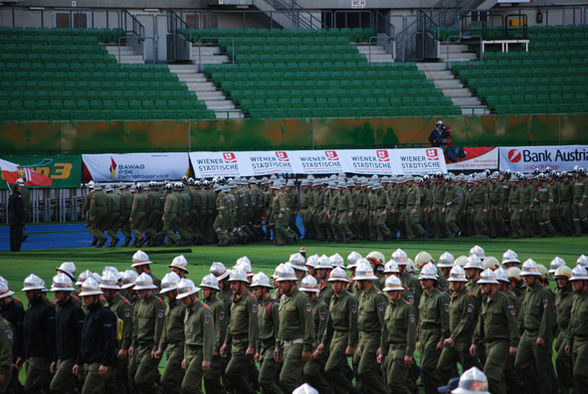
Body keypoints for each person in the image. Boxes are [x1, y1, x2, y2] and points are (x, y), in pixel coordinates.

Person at [470, 269, 518, 394]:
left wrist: (513, 344)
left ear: (492, 285)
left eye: (484, 284)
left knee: (489, 373)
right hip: (488, 343)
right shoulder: (485, 300)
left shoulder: (504, 300)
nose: (481, 286)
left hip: (501, 342)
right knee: (498, 376)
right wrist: (474, 341)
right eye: (480, 284)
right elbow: (481, 322)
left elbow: (512, 323)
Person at [314, 267, 358, 393]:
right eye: (332, 282)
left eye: (337, 282)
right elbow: (329, 323)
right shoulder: (333, 299)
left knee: (330, 368)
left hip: (344, 335)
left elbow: (353, 324)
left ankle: (352, 391)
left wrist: (350, 344)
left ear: (344, 283)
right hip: (334, 336)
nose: (334, 285)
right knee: (339, 368)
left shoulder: (351, 299)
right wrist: (323, 342)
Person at [515, 260, 555, 394]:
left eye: (528, 276)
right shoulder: (527, 291)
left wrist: (542, 336)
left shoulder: (545, 293)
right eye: (524, 276)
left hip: (538, 334)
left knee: (543, 369)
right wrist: (519, 332)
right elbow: (522, 313)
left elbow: (547, 317)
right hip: (526, 334)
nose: (525, 279)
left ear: (536, 276)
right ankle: (534, 389)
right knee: (519, 365)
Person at [274, 264, 314, 393]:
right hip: (285, 345)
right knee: (295, 380)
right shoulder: (283, 299)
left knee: (286, 379)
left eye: (283, 282)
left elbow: (308, 325)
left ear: (292, 282)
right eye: (279, 282)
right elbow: (281, 324)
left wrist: (307, 348)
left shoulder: (302, 299)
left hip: (297, 345)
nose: (279, 285)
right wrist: (277, 345)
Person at [73, 277, 117, 394]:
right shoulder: (89, 314)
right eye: (83, 297)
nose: (84, 300)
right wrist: (79, 361)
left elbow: (110, 340)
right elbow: (84, 340)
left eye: (87, 297)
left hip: (98, 363)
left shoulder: (105, 314)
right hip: (88, 362)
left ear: (96, 297)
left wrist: (105, 363)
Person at [219, 268, 258, 394]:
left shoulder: (250, 299)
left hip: (244, 343)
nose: (231, 286)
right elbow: (231, 324)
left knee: (231, 372)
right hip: (234, 343)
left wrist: (251, 346)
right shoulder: (234, 300)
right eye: (231, 283)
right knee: (244, 374)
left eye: (234, 283)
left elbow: (253, 324)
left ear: (243, 283)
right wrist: (226, 343)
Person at [437, 265, 478, 385]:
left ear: (462, 283)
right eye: (451, 282)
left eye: (455, 282)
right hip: (451, 340)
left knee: (469, 371)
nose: (452, 284)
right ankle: (454, 387)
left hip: (463, 341)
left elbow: (466, 321)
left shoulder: (468, 298)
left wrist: (453, 337)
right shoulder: (453, 296)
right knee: (442, 367)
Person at [128, 273, 165, 394]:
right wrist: (133, 344)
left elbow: (159, 328)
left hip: (150, 347)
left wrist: (156, 346)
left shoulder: (158, 303)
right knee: (130, 374)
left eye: (141, 291)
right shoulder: (138, 303)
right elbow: (136, 325)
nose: (138, 294)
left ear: (149, 290)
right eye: (137, 291)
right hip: (139, 345)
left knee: (141, 379)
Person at [353, 260, 387, 394]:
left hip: (374, 337)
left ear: (364, 280)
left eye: (358, 280)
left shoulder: (377, 297)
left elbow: (384, 324)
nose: (356, 283)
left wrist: (381, 346)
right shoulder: (363, 295)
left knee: (364, 370)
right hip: (363, 337)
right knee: (356, 363)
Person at [378, 275, 416, 394]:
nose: (391, 293)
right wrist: (383, 352)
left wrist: (409, 353)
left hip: (401, 349)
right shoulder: (388, 308)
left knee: (394, 382)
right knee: (388, 386)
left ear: (400, 291)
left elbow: (411, 332)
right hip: (390, 350)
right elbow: (385, 332)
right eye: (388, 291)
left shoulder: (407, 308)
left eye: (393, 291)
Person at [176, 278, 214, 394]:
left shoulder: (204, 310)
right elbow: (187, 335)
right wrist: (185, 356)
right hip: (189, 352)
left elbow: (209, 336)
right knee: (194, 387)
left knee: (187, 386)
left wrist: (207, 358)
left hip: (199, 352)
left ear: (193, 295)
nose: (183, 300)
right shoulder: (187, 310)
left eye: (185, 297)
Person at [20, 274, 56, 394]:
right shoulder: (30, 309)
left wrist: (52, 358)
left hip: (41, 357)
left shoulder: (47, 309)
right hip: (30, 355)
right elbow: (26, 334)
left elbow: (51, 335)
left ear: (37, 292)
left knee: (31, 387)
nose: (27, 295)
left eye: (29, 292)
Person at [49, 273, 84, 394]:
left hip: (71, 357)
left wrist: (79, 360)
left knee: (55, 387)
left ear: (66, 293)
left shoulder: (75, 310)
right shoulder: (59, 309)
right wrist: (55, 358)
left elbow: (80, 337)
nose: (55, 294)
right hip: (60, 356)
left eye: (58, 292)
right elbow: (57, 336)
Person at [417, 263, 450, 394]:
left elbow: (445, 320)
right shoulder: (423, 296)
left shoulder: (440, 297)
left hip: (434, 333)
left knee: (427, 367)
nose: (423, 282)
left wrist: (443, 338)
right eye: (422, 279)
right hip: (424, 334)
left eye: (425, 279)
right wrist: (419, 337)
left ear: (433, 280)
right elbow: (421, 317)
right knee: (426, 368)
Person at [100, 270, 133, 394]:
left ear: (112, 290)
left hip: (119, 346)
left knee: (118, 379)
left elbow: (128, 328)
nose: (102, 293)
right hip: (109, 346)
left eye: (104, 290)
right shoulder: (105, 303)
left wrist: (124, 347)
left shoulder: (123, 305)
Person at [154, 273, 185, 394]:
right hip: (171, 348)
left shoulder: (183, 305)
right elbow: (166, 329)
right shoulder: (168, 305)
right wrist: (161, 347)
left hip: (180, 347)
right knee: (177, 381)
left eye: (169, 292)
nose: (166, 294)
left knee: (166, 380)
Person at [250, 272, 280, 394]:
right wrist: (257, 350)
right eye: (253, 289)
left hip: (272, 347)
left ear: (264, 289)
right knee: (264, 386)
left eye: (256, 289)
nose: (254, 292)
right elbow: (258, 330)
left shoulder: (273, 306)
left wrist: (278, 347)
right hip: (262, 347)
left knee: (264, 380)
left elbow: (279, 329)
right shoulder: (259, 306)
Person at [199, 274, 227, 394]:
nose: (203, 292)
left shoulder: (218, 305)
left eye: (205, 289)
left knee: (211, 379)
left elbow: (219, 329)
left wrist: (215, 347)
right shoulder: (204, 305)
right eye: (202, 289)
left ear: (213, 291)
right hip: (204, 347)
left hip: (213, 350)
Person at [565, 265, 588, 392]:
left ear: (585, 282)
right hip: (576, 341)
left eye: (576, 281)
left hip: (586, 341)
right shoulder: (576, 298)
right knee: (576, 374)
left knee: (579, 373)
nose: (572, 284)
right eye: (572, 281)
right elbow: (572, 322)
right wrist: (569, 341)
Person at [7, 182, 25, 252]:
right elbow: (20, 209)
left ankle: (12, 248)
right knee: (18, 234)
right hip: (18, 219)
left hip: (12, 218)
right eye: (19, 187)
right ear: (17, 188)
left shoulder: (11, 196)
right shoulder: (18, 197)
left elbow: (9, 207)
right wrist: (22, 218)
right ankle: (16, 248)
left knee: (12, 234)